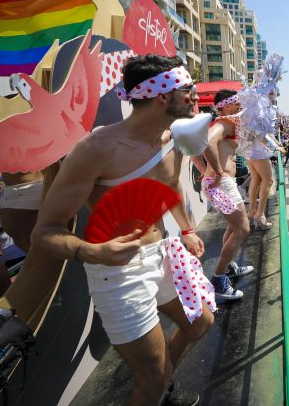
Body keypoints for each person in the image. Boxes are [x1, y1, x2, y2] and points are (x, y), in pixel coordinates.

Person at [31, 55, 212, 405]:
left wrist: (187, 229)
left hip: (163, 254)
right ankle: (157, 386)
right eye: (188, 90)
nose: (194, 97)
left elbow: (171, 185)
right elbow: (44, 230)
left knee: (199, 323)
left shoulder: (173, 138)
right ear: (163, 96)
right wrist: (92, 251)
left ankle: (159, 385)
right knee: (152, 376)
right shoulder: (96, 149)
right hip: (118, 274)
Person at [191, 90, 253, 300]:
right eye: (236, 103)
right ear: (226, 106)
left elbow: (193, 150)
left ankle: (227, 267)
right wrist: (216, 171)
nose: (239, 106)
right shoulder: (224, 123)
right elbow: (207, 143)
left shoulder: (225, 123)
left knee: (234, 227)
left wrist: (205, 171)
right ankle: (218, 279)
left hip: (224, 184)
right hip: (221, 185)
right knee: (243, 229)